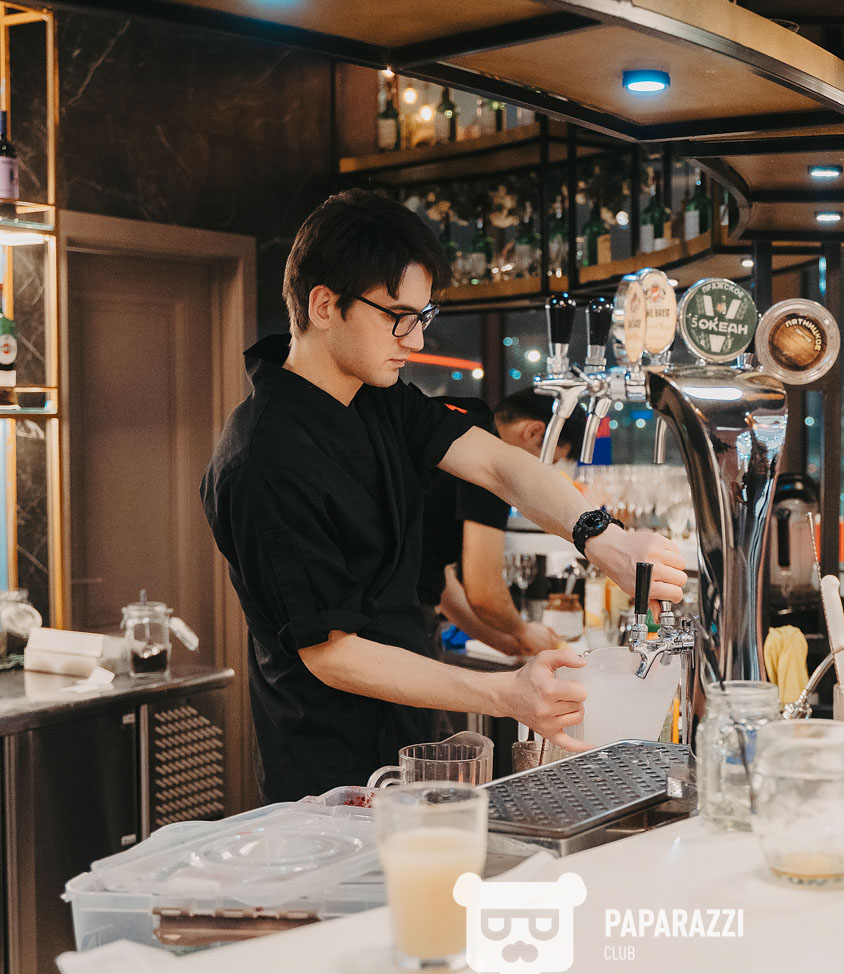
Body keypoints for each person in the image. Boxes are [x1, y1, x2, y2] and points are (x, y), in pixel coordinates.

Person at [201, 190, 685, 802]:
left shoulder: (377, 398)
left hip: (409, 736)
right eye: (398, 316)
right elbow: (331, 653)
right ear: (324, 305)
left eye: (423, 317)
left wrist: (604, 538)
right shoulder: (263, 458)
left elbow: (499, 465)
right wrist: (506, 693)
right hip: (325, 772)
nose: (414, 339)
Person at [419, 389, 579, 657]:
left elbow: (434, 577)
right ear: (534, 432)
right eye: (547, 463)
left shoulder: (459, 436)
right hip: (398, 621)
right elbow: (484, 594)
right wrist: (523, 630)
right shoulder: (492, 463)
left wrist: (505, 641)